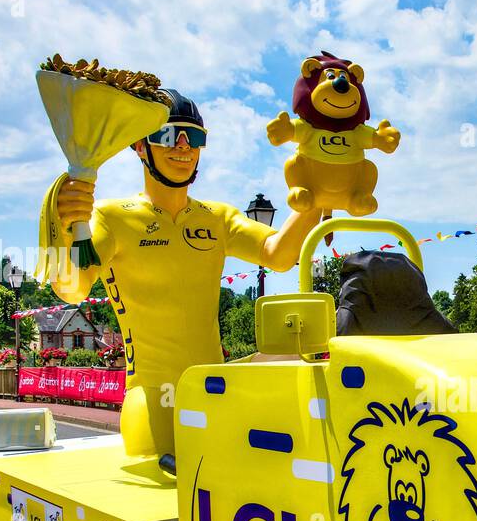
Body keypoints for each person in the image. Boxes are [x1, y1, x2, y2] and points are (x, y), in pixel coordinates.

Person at [50, 88, 322, 471]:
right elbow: (72, 287)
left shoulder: (216, 217)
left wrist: (318, 199)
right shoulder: (113, 217)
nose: (182, 147)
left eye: (194, 138)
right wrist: (66, 228)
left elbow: (279, 255)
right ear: (141, 147)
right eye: (168, 135)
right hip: (151, 402)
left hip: (213, 390)